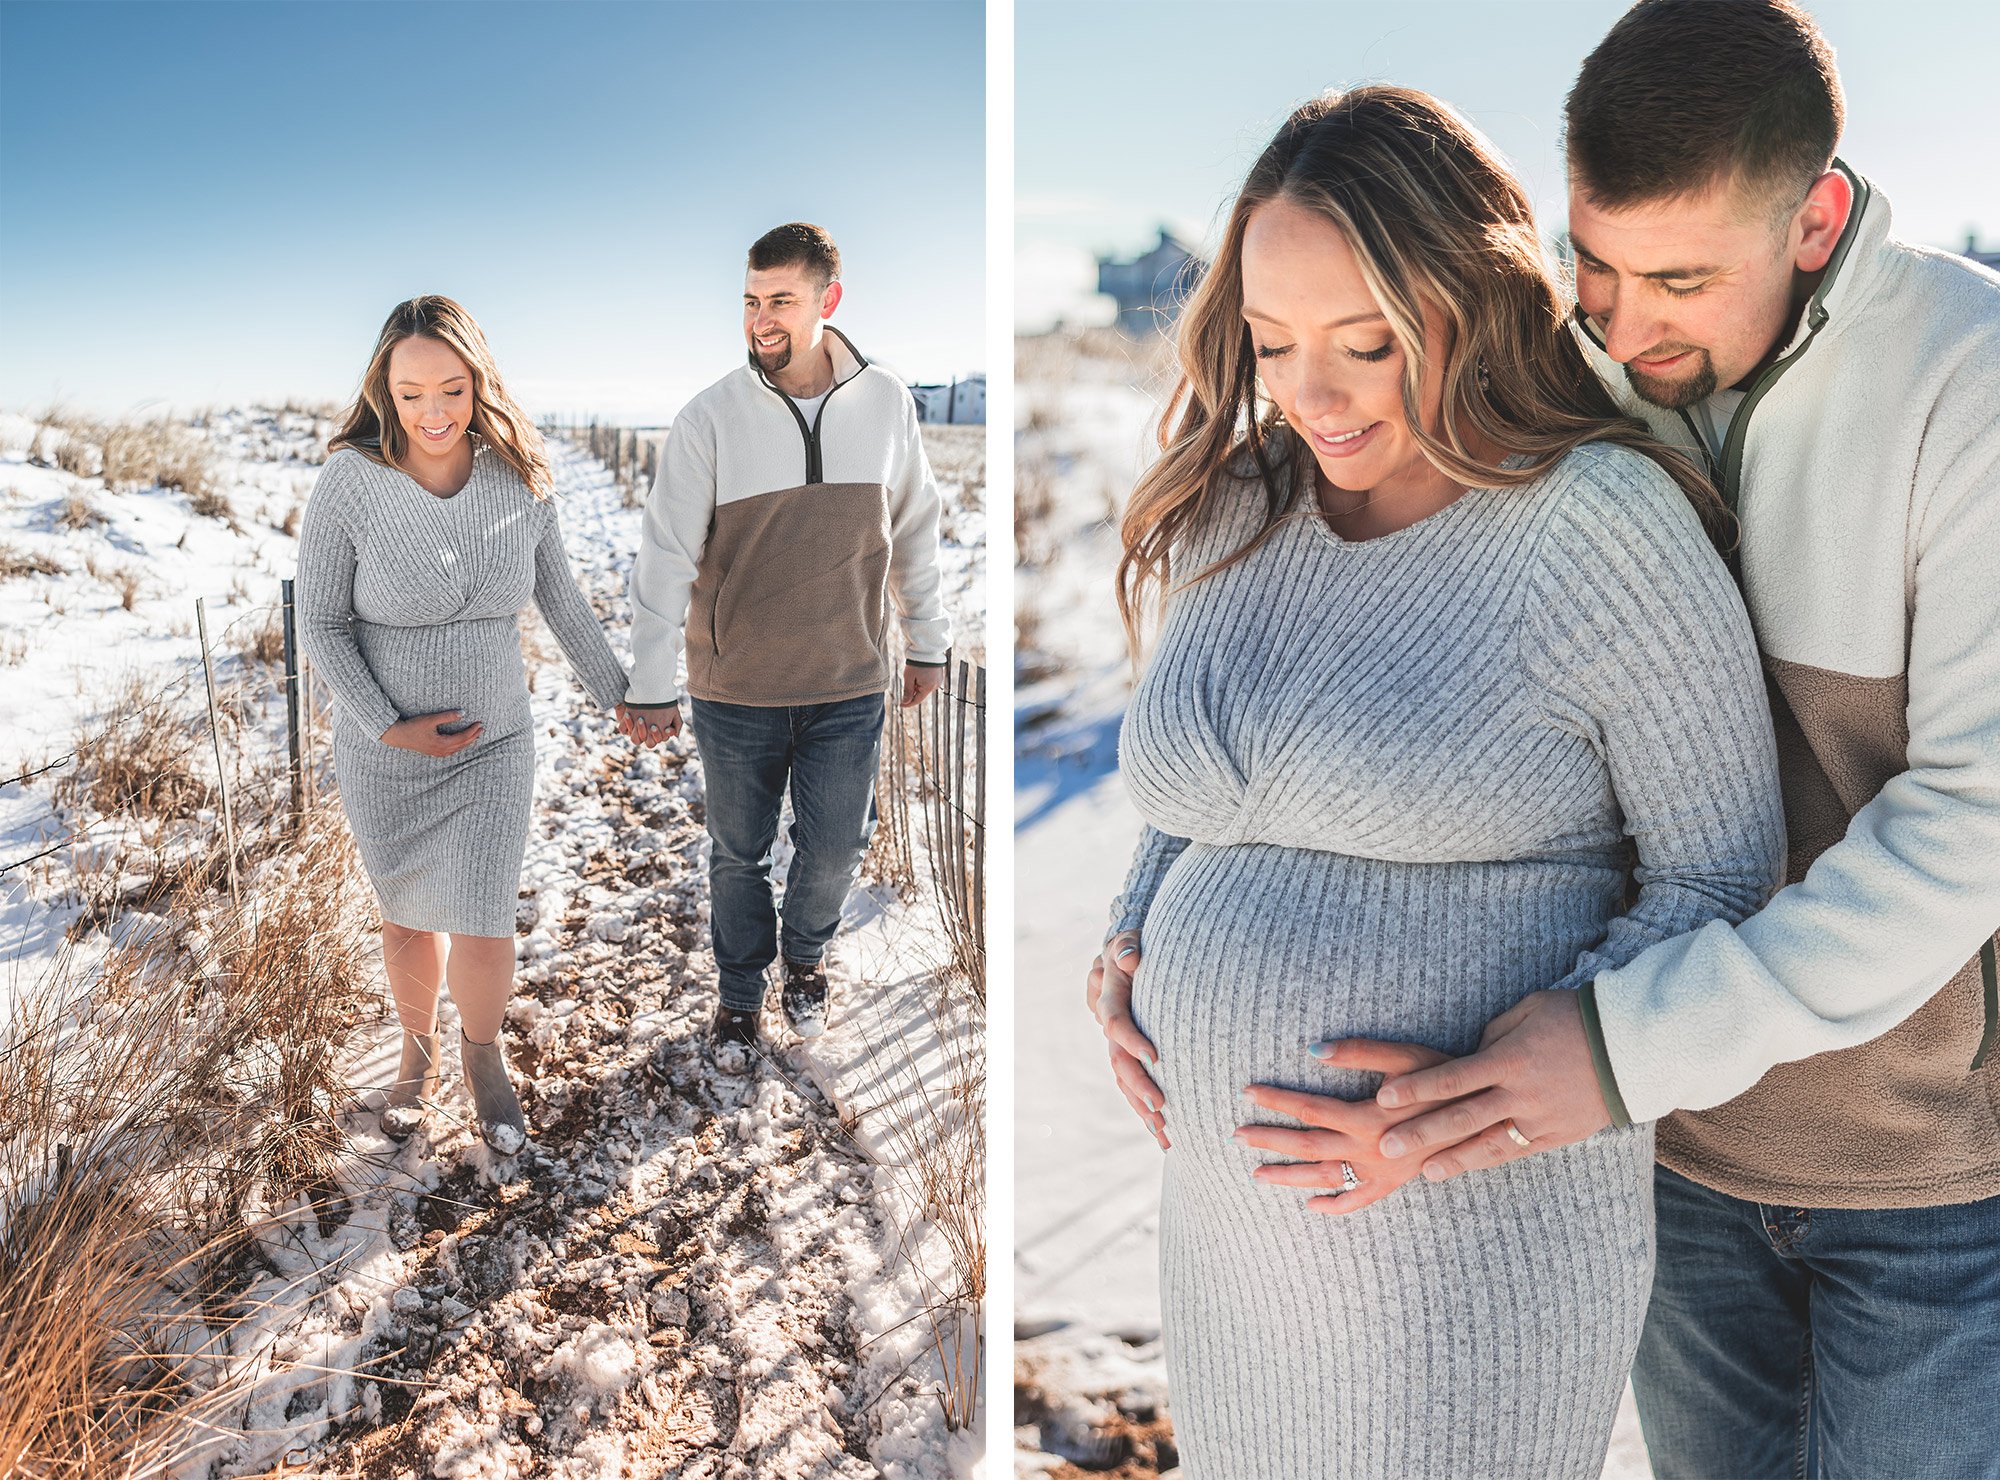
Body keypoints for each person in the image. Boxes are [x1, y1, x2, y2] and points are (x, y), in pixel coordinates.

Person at [1088, 85, 1784, 1477]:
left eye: (1366, 343)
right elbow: (1203, 791)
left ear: (1471, 302)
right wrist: (1133, 938)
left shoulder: (1599, 525)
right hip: (1231, 1234)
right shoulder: (1242, 509)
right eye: (1274, 344)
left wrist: (1517, 1086)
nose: (1314, 395)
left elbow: (1724, 876)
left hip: (1470, 1235)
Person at [298, 295, 630, 1154]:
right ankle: (416, 1061)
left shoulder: (518, 477)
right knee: (408, 919)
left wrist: (621, 695)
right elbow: (321, 625)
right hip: (387, 754)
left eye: (452, 389)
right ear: (384, 389)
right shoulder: (350, 482)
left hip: (494, 745)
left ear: (479, 381)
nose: (434, 413)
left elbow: (562, 602)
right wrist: (384, 724)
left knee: (483, 918)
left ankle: (484, 1059)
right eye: (411, 394)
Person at [619, 223, 950, 1068]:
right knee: (738, 851)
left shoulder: (886, 403)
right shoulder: (710, 418)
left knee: (837, 844)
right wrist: (652, 681)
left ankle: (804, 960)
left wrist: (928, 641)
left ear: (827, 301)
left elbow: (914, 526)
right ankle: (738, 997)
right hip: (737, 686)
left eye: (782, 302)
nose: (762, 320)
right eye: (751, 302)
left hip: (848, 677)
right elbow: (664, 554)